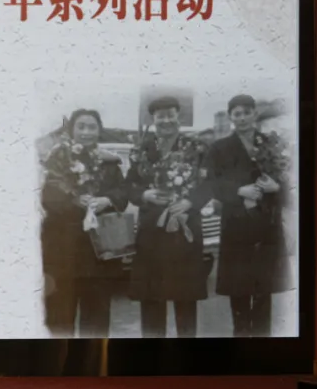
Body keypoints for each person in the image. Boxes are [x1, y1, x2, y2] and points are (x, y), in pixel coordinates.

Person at [201, 94, 294, 336]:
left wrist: (277, 187)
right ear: (231, 117)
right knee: (239, 291)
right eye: (237, 114)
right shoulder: (219, 148)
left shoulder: (272, 144)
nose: (242, 118)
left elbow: (290, 183)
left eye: (246, 112)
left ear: (254, 114)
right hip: (237, 228)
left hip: (266, 227)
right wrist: (238, 190)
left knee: (264, 292)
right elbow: (210, 183)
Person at [125, 96, 212, 338]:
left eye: (170, 115)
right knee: (152, 300)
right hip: (151, 235)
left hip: (184, 231)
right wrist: (144, 194)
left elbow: (211, 183)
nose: (165, 120)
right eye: (160, 116)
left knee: (185, 300)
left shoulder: (197, 147)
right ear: (153, 120)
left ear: (178, 117)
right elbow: (129, 186)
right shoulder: (142, 149)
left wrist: (190, 202)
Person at [39, 109, 129, 338]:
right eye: (81, 126)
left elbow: (122, 193)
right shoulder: (58, 159)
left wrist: (107, 200)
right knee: (60, 316)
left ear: (99, 131)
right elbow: (48, 197)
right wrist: (75, 201)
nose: (86, 132)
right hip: (63, 250)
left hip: (98, 253)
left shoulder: (109, 162)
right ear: (72, 130)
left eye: (92, 127)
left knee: (96, 317)